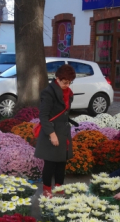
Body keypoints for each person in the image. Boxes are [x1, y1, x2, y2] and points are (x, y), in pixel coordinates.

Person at [34, 64, 76, 198]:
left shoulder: (68, 92)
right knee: (50, 163)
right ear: (57, 78)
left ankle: (59, 187)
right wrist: (52, 134)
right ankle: (47, 189)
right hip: (52, 132)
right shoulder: (48, 92)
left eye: (69, 82)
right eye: (65, 82)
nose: (67, 85)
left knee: (62, 163)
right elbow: (43, 116)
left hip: (63, 131)